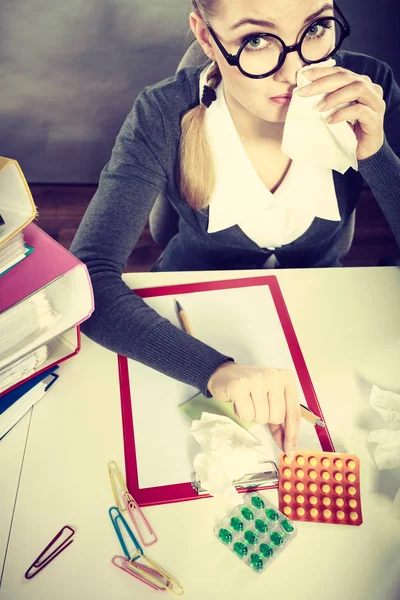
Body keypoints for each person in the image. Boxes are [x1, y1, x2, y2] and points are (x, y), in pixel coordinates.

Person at [70, 0, 400, 457]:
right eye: (256, 40)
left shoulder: (370, 86)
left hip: (318, 303)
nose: (296, 69)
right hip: (191, 306)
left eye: (316, 29)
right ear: (207, 38)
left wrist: (377, 154)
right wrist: (214, 370)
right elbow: (85, 281)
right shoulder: (162, 113)